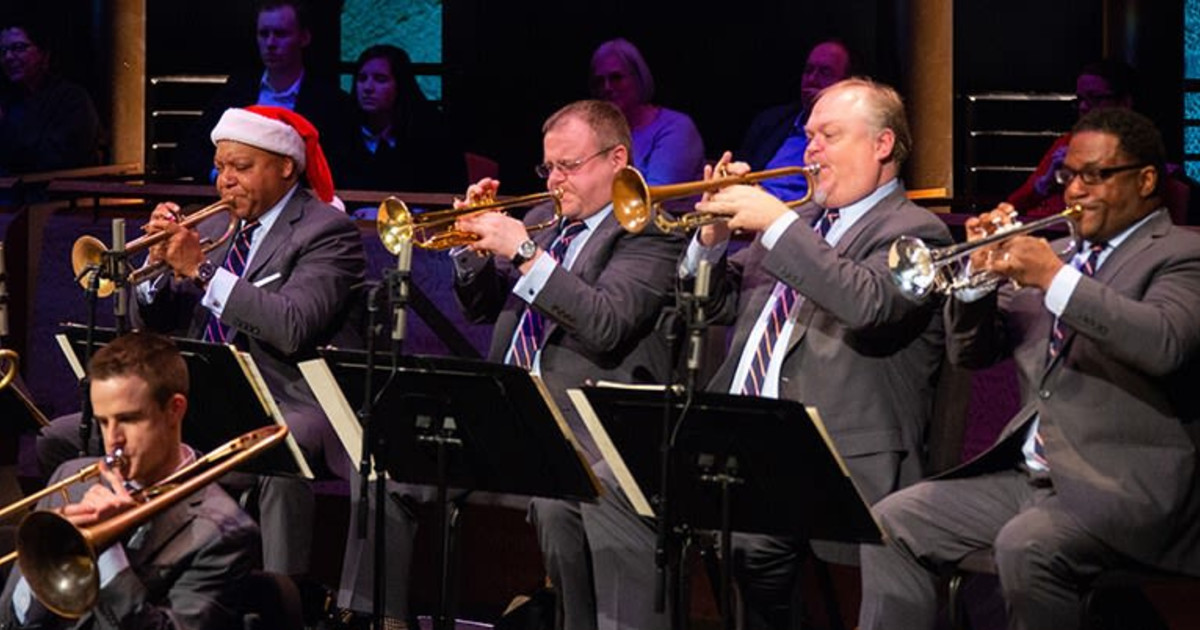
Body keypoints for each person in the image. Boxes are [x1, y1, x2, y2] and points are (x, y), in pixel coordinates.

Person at [858, 108, 1200, 630]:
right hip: (1031, 480)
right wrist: (975, 282)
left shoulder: (1182, 254)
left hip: (1127, 491)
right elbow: (972, 354)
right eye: (1068, 176)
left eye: (1096, 176)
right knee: (891, 521)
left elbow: (1165, 343)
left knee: (1027, 546)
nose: (1076, 192)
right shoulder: (1059, 255)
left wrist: (1055, 278)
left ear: (1146, 179)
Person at [36, 105, 365, 593]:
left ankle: (277, 598)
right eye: (221, 166)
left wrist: (204, 271)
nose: (225, 181)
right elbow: (155, 326)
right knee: (61, 437)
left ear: (285, 166)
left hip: (289, 396)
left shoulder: (325, 232)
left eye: (241, 167)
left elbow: (294, 326)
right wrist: (153, 271)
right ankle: (96, 572)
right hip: (200, 393)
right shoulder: (211, 228)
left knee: (276, 444)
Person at [686, 78, 951, 629]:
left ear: (882, 146)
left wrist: (777, 222)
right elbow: (706, 308)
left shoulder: (918, 232)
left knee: (750, 535)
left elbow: (868, 303)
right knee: (620, 486)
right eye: (808, 136)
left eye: (828, 135)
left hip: (840, 453)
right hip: (744, 439)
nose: (811, 150)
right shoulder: (801, 226)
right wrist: (710, 236)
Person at [0, 331, 260, 630]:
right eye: (103, 421)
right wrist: (45, 560)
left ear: (174, 410)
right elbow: (9, 620)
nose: (113, 440)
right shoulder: (71, 477)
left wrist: (106, 549)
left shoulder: (225, 532)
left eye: (129, 419)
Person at [174, 0, 354, 182]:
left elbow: (339, 168)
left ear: (304, 37)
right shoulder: (238, 89)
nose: (270, 43)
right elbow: (189, 150)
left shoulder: (329, 99)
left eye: (280, 34)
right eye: (263, 34)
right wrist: (222, 176)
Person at [1005, 60, 1134, 217]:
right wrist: (1047, 180)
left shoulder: (1137, 148)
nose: (1083, 107)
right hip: (1041, 227)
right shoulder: (1068, 142)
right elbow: (1013, 205)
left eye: (1095, 98)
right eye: (1080, 99)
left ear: (1124, 102)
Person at [339, 44, 466, 192]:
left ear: (401, 84)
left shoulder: (433, 132)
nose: (368, 88)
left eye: (380, 79)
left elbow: (450, 193)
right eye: (362, 78)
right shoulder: (339, 130)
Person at [737, 39, 852, 202]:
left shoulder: (851, 140)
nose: (812, 79)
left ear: (846, 83)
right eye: (808, 70)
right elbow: (742, 169)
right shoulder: (771, 121)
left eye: (824, 72)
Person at [589, 38, 704, 186]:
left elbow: (656, 194)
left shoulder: (676, 127)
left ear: (638, 78)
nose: (607, 87)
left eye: (616, 78)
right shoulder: (596, 134)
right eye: (599, 81)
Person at [0, 16, 101, 175]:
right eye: (3, 51)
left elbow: (61, 159)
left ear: (44, 54)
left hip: (57, 194)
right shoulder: (8, 100)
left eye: (18, 48)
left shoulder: (72, 99)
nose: (8, 57)